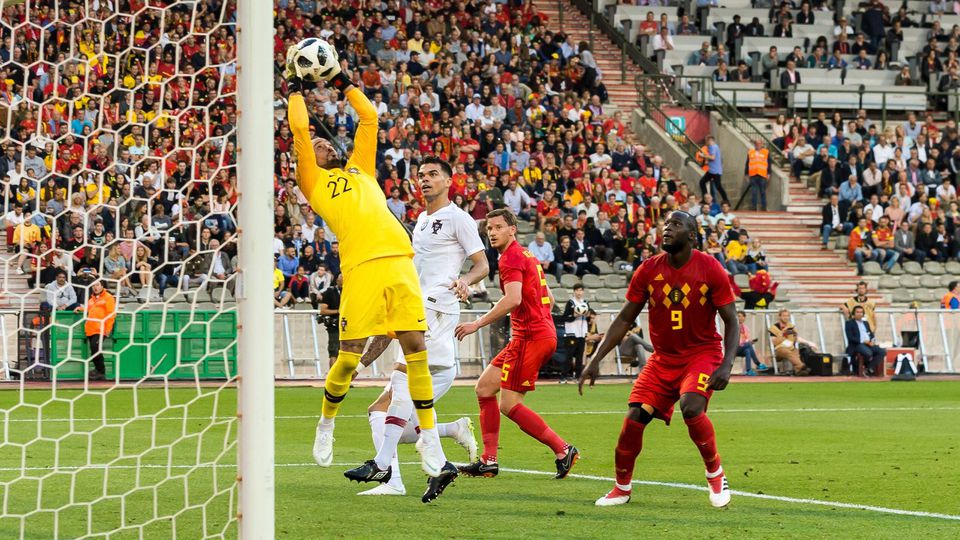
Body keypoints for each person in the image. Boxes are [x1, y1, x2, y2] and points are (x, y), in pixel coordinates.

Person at [284, 44, 442, 477]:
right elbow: (300, 131)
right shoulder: (314, 183)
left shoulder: (361, 169)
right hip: (362, 269)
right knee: (350, 356)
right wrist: (296, 90)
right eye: (318, 144)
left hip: (400, 262)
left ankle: (428, 436)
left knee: (416, 352)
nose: (323, 143)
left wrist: (341, 83)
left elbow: (369, 118)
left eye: (324, 141)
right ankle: (326, 423)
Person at [347, 156, 489, 501]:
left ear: (448, 181)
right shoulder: (423, 219)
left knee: (399, 382)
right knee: (388, 406)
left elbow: (482, 264)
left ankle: (389, 471)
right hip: (418, 308)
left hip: (439, 309)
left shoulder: (458, 218)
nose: (424, 180)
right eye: (421, 175)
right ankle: (436, 459)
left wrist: (465, 281)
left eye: (433, 175)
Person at [579, 211, 737, 508]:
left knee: (691, 408)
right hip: (663, 360)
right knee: (634, 419)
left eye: (676, 224)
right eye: (665, 224)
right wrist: (596, 358)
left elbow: (731, 319)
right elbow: (625, 318)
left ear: (692, 235)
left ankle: (715, 473)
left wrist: (727, 363)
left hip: (701, 355)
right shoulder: (649, 269)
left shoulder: (710, 268)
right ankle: (622, 488)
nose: (666, 228)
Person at [454, 209, 579, 480]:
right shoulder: (526, 255)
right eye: (489, 228)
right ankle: (488, 460)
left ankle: (563, 449)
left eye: (498, 227)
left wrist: (477, 324)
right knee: (485, 388)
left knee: (509, 405)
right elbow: (549, 298)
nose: (492, 232)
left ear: (513, 229)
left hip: (530, 337)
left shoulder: (510, 258)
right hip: (534, 334)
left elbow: (513, 299)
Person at [74, 280, 116, 381]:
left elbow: (111, 314)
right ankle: (98, 371)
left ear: (102, 286)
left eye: (97, 285)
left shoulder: (108, 297)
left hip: (101, 329)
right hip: (91, 329)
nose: (95, 287)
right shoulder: (91, 299)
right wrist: (80, 308)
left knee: (95, 348)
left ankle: (101, 371)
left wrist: (108, 328)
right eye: (93, 286)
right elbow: (89, 310)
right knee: (94, 350)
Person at [768, 309, 813, 375]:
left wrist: (808, 342)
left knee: (796, 351)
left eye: (787, 316)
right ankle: (802, 366)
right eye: (784, 316)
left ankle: (799, 371)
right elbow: (774, 342)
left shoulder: (791, 327)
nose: (786, 317)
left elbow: (796, 338)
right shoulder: (774, 328)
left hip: (791, 347)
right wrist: (782, 333)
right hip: (779, 349)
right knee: (786, 351)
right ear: (779, 316)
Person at [844, 306, 885, 376]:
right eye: (857, 312)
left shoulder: (866, 323)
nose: (859, 314)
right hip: (857, 344)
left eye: (861, 312)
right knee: (868, 353)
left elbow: (871, 334)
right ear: (853, 313)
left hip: (868, 343)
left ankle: (869, 368)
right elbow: (850, 337)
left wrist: (872, 340)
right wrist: (863, 341)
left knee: (882, 352)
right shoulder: (849, 323)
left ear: (863, 314)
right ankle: (860, 367)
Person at [562, 283, 590, 380]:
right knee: (569, 355)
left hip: (581, 333)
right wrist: (574, 315)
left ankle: (578, 376)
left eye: (581, 290)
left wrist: (587, 315)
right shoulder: (571, 303)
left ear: (583, 291)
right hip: (572, 333)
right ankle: (564, 376)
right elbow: (565, 317)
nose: (579, 292)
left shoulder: (585, 302)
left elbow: (589, 317)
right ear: (574, 291)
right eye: (577, 290)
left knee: (579, 356)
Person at [318, 274, 343, 367]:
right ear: (337, 281)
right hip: (334, 325)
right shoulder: (330, 292)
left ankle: (342, 377)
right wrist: (338, 311)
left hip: (346, 325)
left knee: (345, 352)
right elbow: (323, 310)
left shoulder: (349, 292)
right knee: (334, 351)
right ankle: (332, 376)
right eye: (342, 279)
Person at [697, 136, 727, 203]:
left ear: (710, 140)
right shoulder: (713, 147)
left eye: (706, 141)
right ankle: (706, 199)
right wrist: (707, 160)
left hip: (715, 171)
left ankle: (726, 200)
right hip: (712, 171)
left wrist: (703, 156)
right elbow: (712, 158)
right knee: (702, 182)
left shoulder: (713, 147)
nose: (705, 142)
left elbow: (712, 158)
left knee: (718, 187)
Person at [736, 311, 767, 375]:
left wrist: (750, 342)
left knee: (748, 350)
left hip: (743, 347)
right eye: (738, 316)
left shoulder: (746, 328)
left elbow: (746, 339)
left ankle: (748, 370)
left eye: (742, 316)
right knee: (748, 346)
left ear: (744, 318)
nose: (740, 318)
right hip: (734, 348)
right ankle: (758, 364)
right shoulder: (733, 326)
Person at [744, 139, 770, 211]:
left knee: (762, 192)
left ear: (762, 144)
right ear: (754, 144)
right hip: (753, 175)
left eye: (759, 143)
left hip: (762, 174)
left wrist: (769, 173)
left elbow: (769, 164)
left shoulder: (766, 152)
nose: (758, 145)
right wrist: (746, 174)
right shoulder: (750, 152)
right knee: (754, 192)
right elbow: (747, 163)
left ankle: (764, 207)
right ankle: (754, 207)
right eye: (756, 143)